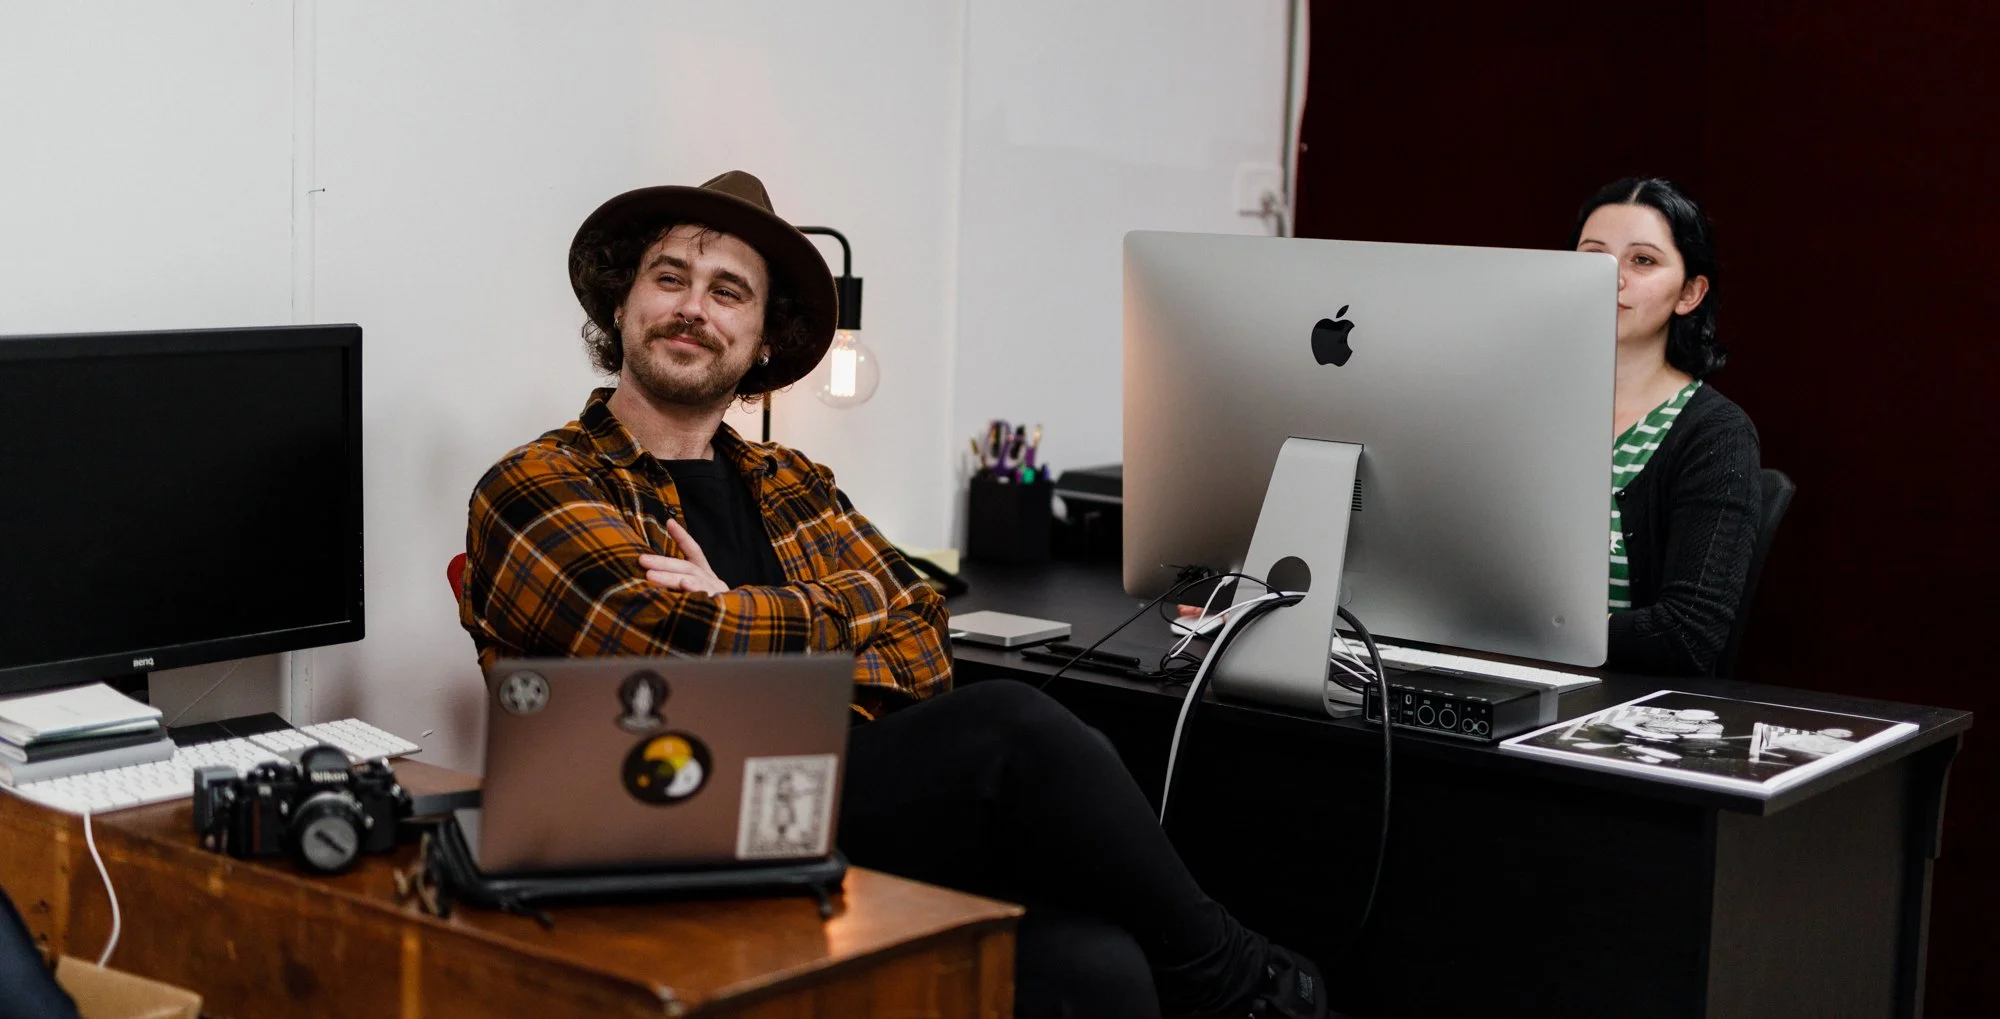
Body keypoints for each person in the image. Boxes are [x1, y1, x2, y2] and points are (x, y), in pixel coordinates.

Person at [458, 170, 1331, 1019]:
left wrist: (734, 614)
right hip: (652, 828)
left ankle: (1226, 979)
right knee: (1012, 727)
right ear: (622, 305)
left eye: (729, 291)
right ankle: (1239, 980)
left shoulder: (793, 481)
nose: (694, 306)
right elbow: (659, 654)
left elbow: (920, 634)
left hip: (828, 816)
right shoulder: (537, 482)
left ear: (761, 339)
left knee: (1099, 968)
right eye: (669, 277)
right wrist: (813, 625)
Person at [1571, 177, 1761, 676]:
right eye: (1594, 255)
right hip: (1489, 680)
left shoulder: (1715, 433)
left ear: (1690, 292)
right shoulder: (1513, 405)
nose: (1611, 277)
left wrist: (1531, 634)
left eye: (1643, 260)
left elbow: (1688, 635)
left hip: (1616, 707)